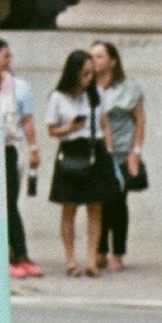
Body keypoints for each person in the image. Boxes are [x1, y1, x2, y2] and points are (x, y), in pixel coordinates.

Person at [44, 47, 116, 277]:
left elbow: (105, 123)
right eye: (84, 73)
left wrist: (109, 146)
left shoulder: (96, 94)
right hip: (71, 149)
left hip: (94, 150)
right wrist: (70, 128)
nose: (88, 77)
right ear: (73, 72)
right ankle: (71, 260)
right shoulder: (57, 97)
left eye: (91, 73)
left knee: (95, 207)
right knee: (69, 207)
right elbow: (51, 130)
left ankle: (92, 259)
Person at [0, 36, 38, 275]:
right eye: (4, 56)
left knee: (10, 203)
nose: (8, 62)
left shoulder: (16, 86)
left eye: (9, 57)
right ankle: (2, 256)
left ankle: (21, 255)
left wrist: (33, 149)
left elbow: (27, 120)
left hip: (8, 149)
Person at [91, 40, 147, 273]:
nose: (94, 61)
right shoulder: (88, 87)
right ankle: (100, 250)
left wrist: (136, 152)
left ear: (112, 61)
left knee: (117, 203)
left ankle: (117, 252)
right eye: (92, 56)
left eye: (99, 56)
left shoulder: (128, 88)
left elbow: (140, 121)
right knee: (98, 202)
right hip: (96, 152)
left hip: (121, 153)